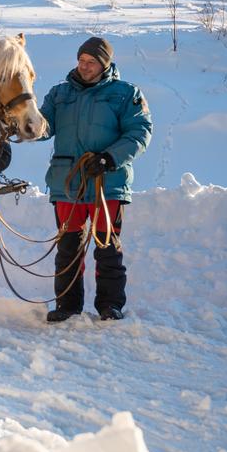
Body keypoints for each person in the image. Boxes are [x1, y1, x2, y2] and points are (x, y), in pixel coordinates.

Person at [38, 36, 153, 323]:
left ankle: (110, 306)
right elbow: (41, 126)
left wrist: (109, 158)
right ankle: (67, 306)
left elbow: (140, 132)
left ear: (105, 64)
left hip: (108, 184)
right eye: (81, 60)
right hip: (68, 184)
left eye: (91, 62)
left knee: (107, 248)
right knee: (67, 250)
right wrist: (17, 125)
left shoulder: (126, 93)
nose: (84, 66)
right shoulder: (59, 94)